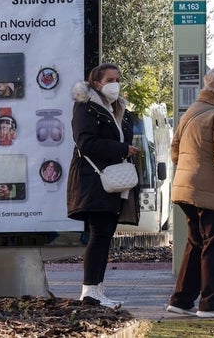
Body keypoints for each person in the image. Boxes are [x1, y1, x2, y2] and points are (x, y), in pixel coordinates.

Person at [166, 67, 214, 318]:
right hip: (212, 192)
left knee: (196, 243)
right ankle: (213, 304)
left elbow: (175, 150)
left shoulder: (192, 111)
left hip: (187, 189)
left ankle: (181, 300)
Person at [67, 63, 139, 309]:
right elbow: (86, 142)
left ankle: (97, 290)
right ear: (96, 83)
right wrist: (122, 149)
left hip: (108, 181)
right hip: (93, 180)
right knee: (98, 235)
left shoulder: (115, 108)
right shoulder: (86, 107)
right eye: (110, 79)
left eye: (118, 79)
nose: (115, 84)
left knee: (105, 235)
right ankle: (89, 292)